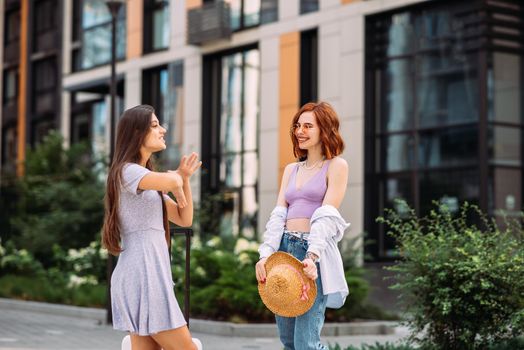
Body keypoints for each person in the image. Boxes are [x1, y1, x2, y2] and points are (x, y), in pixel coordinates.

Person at [102, 104, 203, 350]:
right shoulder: (127, 172)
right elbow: (169, 180)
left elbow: (184, 218)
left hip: (147, 273)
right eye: (155, 125)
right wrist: (176, 180)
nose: (163, 130)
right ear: (137, 133)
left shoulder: (146, 184)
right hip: (143, 274)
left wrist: (184, 180)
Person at [255, 101, 350, 349]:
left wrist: (312, 255)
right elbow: (278, 215)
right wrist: (265, 255)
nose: (300, 131)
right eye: (298, 125)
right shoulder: (291, 169)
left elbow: (327, 215)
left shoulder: (336, 166)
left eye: (308, 126)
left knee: (305, 343)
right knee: (288, 341)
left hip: (311, 254)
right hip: (284, 252)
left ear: (325, 130)